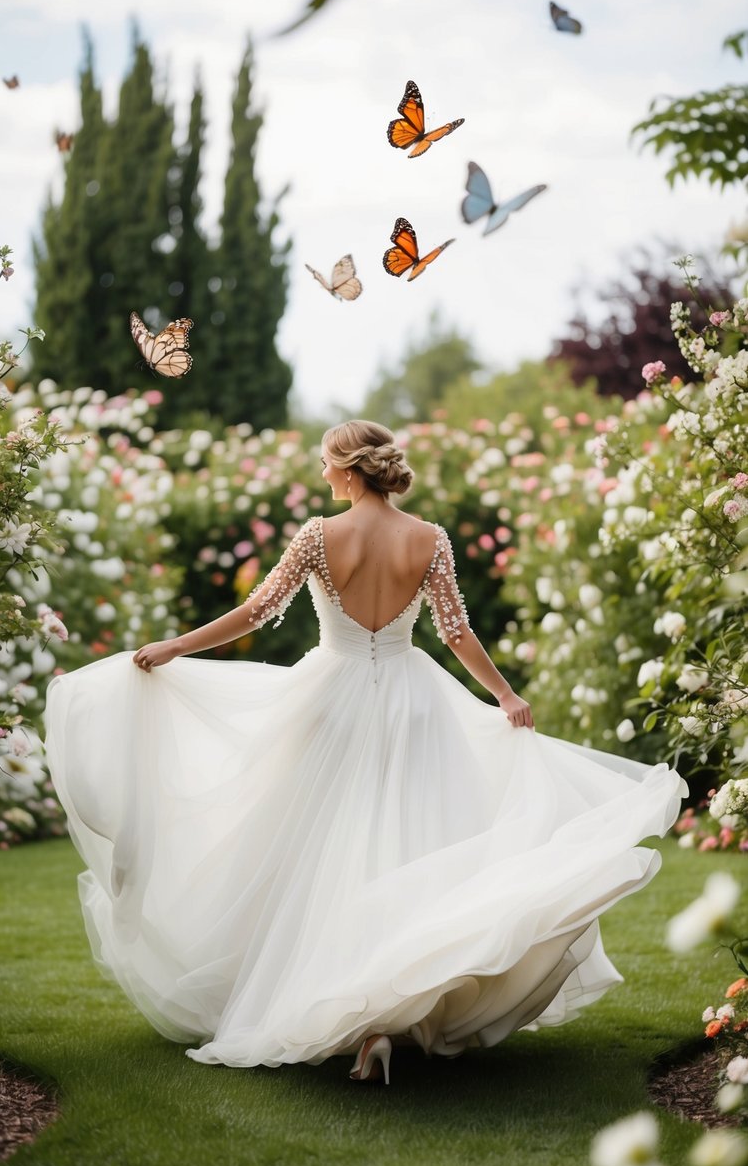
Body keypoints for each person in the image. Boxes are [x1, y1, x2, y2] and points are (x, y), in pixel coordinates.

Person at [45, 419, 686, 1085]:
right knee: (407, 847)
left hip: (328, 700)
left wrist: (175, 645)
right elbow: (455, 631)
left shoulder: (318, 535)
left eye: (325, 463)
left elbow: (259, 611)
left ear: (349, 471)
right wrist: (503, 696)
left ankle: (338, 1008)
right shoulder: (427, 538)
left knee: (320, 854)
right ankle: (383, 1022)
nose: (321, 474)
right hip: (413, 704)